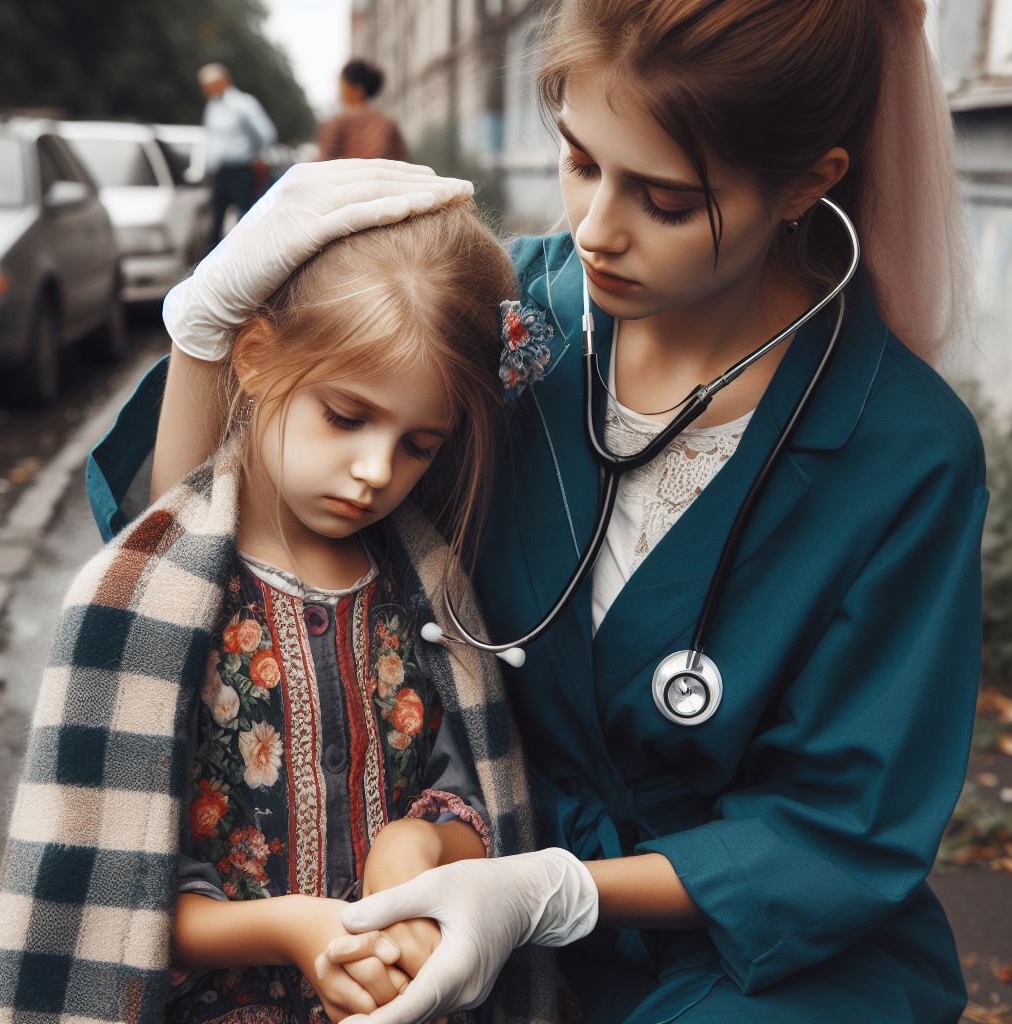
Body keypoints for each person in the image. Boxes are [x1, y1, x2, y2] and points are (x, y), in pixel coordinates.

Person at [64, 0, 987, 1020]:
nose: (595, 230)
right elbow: (200, 571)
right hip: (454, 872)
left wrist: (549, 891)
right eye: (580, 160)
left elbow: (835, 831)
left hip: (762, 953)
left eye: (666, 200)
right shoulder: (504, 324)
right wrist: (204, 328)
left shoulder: (903, 451)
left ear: (808, 183)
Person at [0, 165, 562, 1024]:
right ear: (255, 358)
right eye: (346, 415)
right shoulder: (147, 600)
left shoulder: (425, 589)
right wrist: (292, 929)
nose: (376, 471)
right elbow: (114, 890)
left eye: (418, 445)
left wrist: (423, 844)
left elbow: (468, 783)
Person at [198, 62, 278, 250]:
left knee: (245, 220)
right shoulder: (212, 107)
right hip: (220, 172)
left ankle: (247, 258)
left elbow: (266, 133)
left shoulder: (244, 103)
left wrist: (254, 154)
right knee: (215, 222)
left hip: (242, 170)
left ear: (223, 81)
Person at [317, 60, 408, 162]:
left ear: (352, 88)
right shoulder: (389, 124)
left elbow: (322, 162)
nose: (339, 91)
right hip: (380, 177)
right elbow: (401, 160)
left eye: (341, 84)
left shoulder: (337, 123)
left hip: (347, 178)